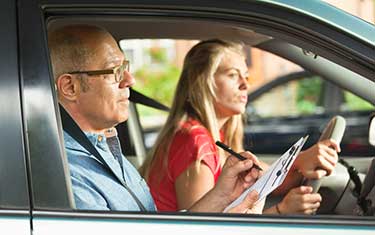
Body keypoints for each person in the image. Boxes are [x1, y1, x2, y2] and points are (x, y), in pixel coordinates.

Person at [48, 25, 262, 213]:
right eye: (115, 71)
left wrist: (223, 195)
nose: (129, 80)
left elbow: (159, 232)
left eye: (126, 67)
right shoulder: (69, 176)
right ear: (70, 87)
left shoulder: (108, 149)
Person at [142, 39, 341, 214]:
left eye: (245, 75)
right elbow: (203, 233)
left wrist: (300, 161)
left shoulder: (214, 137)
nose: (245, 84)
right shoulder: (194, 142)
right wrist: (281, 212)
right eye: (232, 75)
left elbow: (265, 179)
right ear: (202, 83)